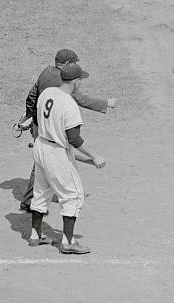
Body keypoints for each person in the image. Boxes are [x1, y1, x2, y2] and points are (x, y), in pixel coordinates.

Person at [18, 48, 116, 211]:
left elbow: (32, 95)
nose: (76, 66)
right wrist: (106, 103)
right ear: (66, 63)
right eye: (74, 63)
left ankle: (33, 199)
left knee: (45, 159)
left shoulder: (46, 72)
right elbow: (81, 100)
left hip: (40, 123)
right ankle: (45, 198)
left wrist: (30, 117)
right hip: (53, 126)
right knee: (51, 160)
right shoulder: (62, 80)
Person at [29, 62, 106, 254]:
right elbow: (74, 138)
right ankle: (68, 242)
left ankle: (35, 235)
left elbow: (37, 121)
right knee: (73, 195)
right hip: (56, 152)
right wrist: (94, 156)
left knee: (41, 191)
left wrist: (45, 142)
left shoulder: (47, 93)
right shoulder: (69, 104)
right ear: (76, 81)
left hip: (40, 146)